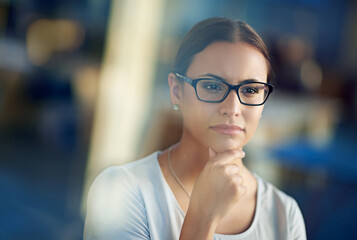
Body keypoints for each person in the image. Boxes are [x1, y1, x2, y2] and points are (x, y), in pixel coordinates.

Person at [83, 17, 306, 240]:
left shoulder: (285, 215)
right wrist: (203, 216)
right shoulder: (122, 192)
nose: (233, 108)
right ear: (176, 90)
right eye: (212, 86)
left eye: (250, 90)